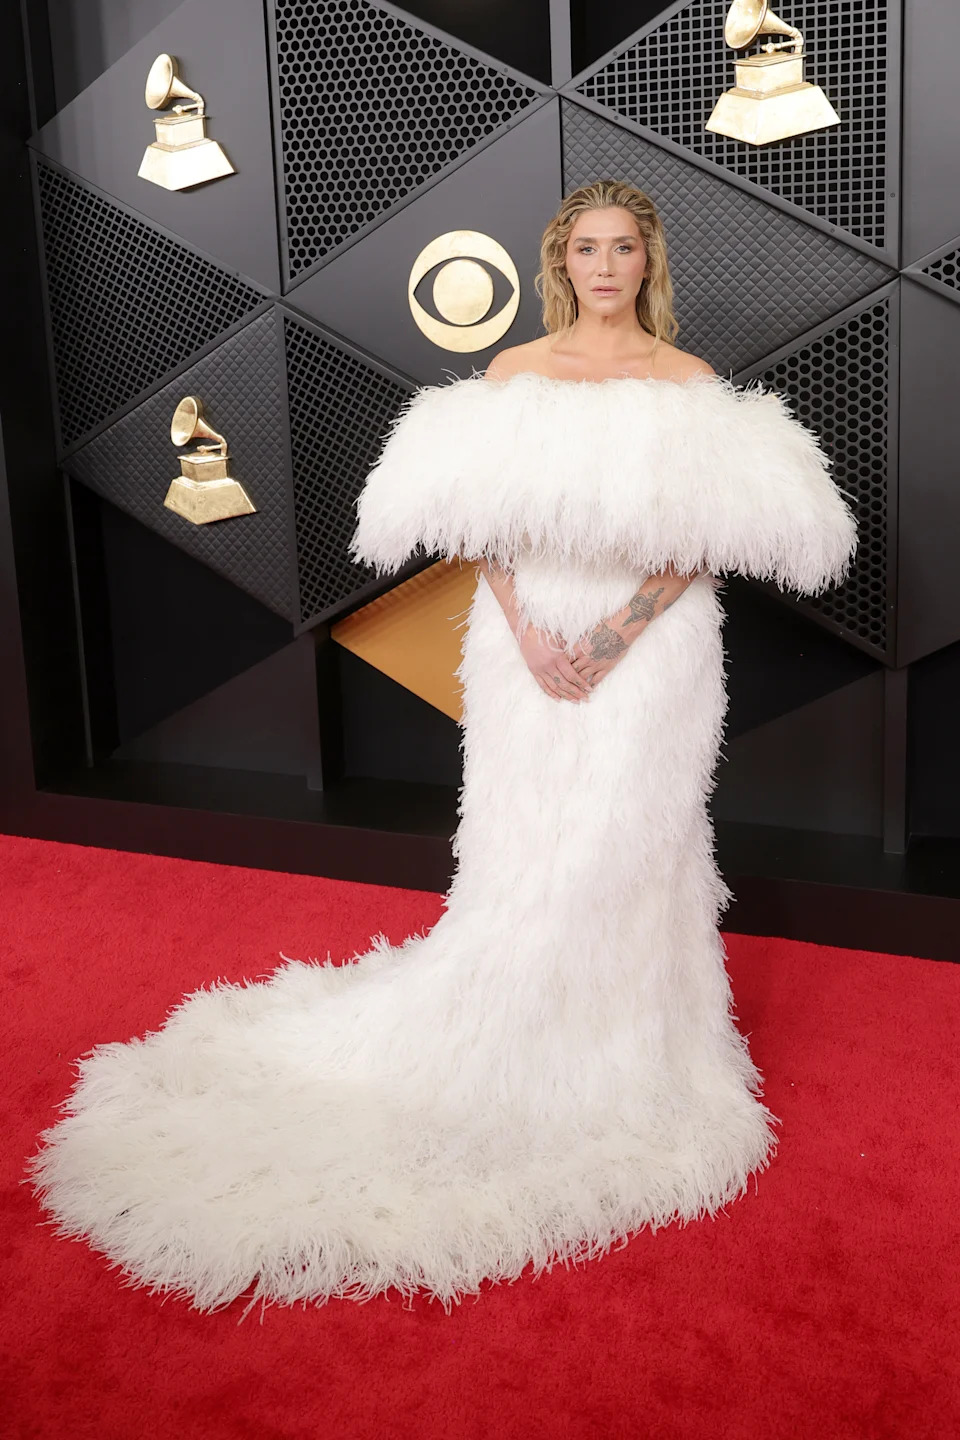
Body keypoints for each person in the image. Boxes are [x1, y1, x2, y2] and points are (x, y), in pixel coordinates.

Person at [29, 179, 859, 1315]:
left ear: (648, 262)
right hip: (521, 648)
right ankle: (511, 1026)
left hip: (654, 649)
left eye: (623, 248)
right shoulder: (516, 374)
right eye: (585, 248)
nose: (604, 266)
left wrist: (618, 630)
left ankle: (630, 1050)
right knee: (525, 846)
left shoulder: (692, 387)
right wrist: (527, 628)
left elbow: (702, 543)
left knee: (633, 842)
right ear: (559, 260)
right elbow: (490, 532)